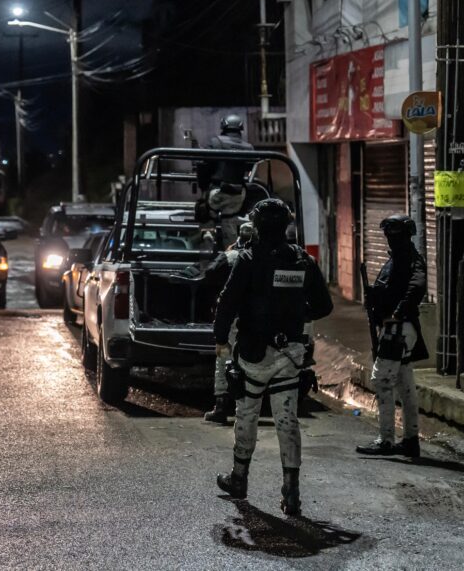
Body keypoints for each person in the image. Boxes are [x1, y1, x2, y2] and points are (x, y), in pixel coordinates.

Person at [214, 199, 333, 516]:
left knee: (247, 414)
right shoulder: (301, 260)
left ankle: (239, 479)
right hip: (291, 356)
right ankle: (291, 494)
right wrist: (295, 314)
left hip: (254, 354)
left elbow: (227, 302)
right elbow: (324, 306)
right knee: (287, 421)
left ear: (258, 225)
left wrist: (219, 338)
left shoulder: (249, 259)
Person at [355, 214, 428, 461]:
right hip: (396, 329)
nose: (390, 238)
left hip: (398, 330)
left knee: (381, 380)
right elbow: (390, 289)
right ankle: (410, 440)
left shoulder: (411, 260)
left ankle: (386, 439)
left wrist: (396, 314)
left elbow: (416, 288)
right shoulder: (397, 260)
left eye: (394, 234)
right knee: (405, 386)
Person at [171, 222, 256, 424]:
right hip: (263, 320)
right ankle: (252, 407)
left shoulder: (232, 256)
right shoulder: (271, 256)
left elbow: (209, 273)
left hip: (235, 318)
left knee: (224, 359)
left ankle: (221, 406)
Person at [197, 114, 255, 246]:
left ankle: (208, 235)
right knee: (229, 222)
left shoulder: (215, 142)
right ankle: (231, 252)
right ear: (240, 128)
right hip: (237, 194)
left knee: (205, 211)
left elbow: (203, 165)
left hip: (216, 192)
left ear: (223, 126)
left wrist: (203, 186)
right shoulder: (248, 147)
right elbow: (249, 167)